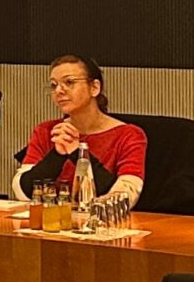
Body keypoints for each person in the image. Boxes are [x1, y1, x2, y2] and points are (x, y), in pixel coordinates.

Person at [14, 55, 146, 208]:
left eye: (69, 82)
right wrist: (56, 155)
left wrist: (78, 153)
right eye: (54, 85)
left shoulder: (129, 135)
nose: (58, 91)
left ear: (94, 87)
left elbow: (124, 197)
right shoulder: (47, 131)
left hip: (102, 220)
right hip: (54, 218)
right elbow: (22, 192)